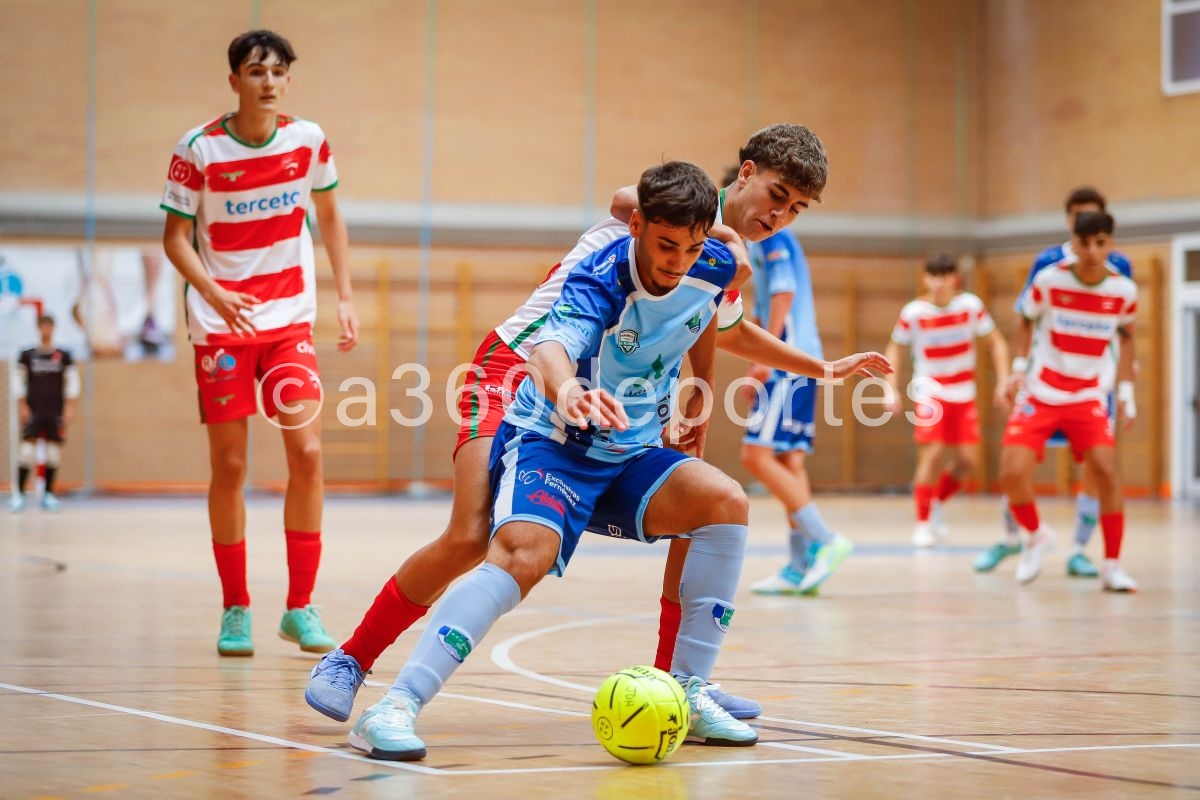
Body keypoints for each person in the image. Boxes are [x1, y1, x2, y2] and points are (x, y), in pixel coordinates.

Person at [305, 124, 891, 724]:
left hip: (610, 401)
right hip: (524, 364)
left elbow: (724, 328)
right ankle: (351, 658)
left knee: (704, 513)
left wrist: (808, 370)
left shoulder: (716, 259)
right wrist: (716, 234)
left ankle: (677, 686)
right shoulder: (672, 210)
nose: (780, 215)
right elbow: (621, 200)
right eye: (776, 195)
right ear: (745, 174)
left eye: (796, 209)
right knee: (474, 533)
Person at [348, 161, 760, 760]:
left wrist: (699, 388)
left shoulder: (712, 262)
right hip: (556, 443)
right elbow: (549, 347)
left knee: (726, 503)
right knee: (519, 555)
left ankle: (690, 691)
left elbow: (706, 304)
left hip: (629, 453)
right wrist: (567, 390)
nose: (678, 262)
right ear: (637, 226)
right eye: (666, 245)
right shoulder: (601, 276)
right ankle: (394, 705)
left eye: (692, 248)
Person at [160, 30, 360, 656]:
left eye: (277, 71)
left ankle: (300, 607)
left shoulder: (308, 140)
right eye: (255, 71)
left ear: (288, 80)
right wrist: (214, 293)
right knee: (230, 466)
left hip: (288, 318)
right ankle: (236, 607)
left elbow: (330, 217)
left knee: (308, 452)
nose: (268, 81)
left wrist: (345, 296)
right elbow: (174, 238)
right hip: (221, 324)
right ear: (235, 81)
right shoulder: (199, 149)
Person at [976, 186, 1134, 576]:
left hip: (1091, 390)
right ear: (1071, 229)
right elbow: (1025, 318)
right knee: (1013, 468)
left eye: (1100, 239)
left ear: (1109, 239)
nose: (1092, 249)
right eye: (1082, 229)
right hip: (1043, 387)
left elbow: (1125, 333)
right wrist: (1017, 369)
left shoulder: (1123, 280)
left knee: (1103, 471)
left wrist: (1127, 386)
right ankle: (1020, 537)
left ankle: (1090, 554)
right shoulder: (1047, 271)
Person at [733, 166, 853, 597]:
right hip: (800, 358)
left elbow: (783, 294)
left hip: (789, 359)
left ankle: (825, 540)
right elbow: (764, 305)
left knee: (755, 455)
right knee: (788, 462)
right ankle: (800, 566)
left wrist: (764, 360)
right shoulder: (762, 240)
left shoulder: (771, 234)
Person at [883, 254, 1009, 547]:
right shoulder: (914, 312)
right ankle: (923, 522)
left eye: (944, 276)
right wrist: (890, 389)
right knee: (934, 452)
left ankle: (936, 501)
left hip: (964, 393)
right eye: (933, 276)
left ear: (955, 279)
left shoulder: (970, 306)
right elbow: (895, 349)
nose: (939, 283)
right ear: (925, 279)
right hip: (929, 391)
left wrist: (1003, 380)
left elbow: (996, 342)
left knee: (968, 461)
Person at [11, 315, 80, 513]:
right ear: (38, 328)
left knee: (52, 454)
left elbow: (73, 381)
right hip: (34, 409)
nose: (46, 330)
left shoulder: (63, 355)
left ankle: (48, 495)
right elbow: (18, 381)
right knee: (26, 452)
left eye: (49, 326)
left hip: (54, 410)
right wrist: (22, 405)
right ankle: (19, 495)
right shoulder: (27, 355)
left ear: (53, 328)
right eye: (43, 326)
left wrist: (69, 407)